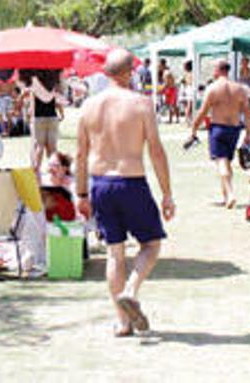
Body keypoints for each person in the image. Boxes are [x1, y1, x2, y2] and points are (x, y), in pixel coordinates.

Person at [75, 48, 174, 337]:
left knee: (114, 253)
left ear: (106, 73)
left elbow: (80, 154)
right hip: (131, 181)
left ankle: (122, 322)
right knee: (151, 244)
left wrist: (81, 194)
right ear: (130, 71)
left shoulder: (89, 106)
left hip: (100, 183)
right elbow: (155, 150)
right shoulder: (141, 104)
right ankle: (130, 289)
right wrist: (167, 193)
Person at [189, 60, 250, 209]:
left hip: (218, 128)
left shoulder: (213, 88)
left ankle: (230, 194)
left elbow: (203, 111)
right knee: (227, 162)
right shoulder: (240, 89)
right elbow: (248, 113)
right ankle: (226, 195)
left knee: (221, 161)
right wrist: (248, 134)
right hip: (234, 129)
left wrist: (193, 129)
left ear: (218, 70)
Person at [28, 70, 65, 172]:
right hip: (52, 116)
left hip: (38, 117)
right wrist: (62, 113)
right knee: (52, 147)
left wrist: (31, 117)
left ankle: (36, 171)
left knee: (39, 146)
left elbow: (32, 105)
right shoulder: (53, 85)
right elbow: (58, 102)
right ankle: (54, 171)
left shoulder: (35, 85)